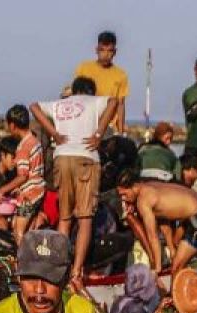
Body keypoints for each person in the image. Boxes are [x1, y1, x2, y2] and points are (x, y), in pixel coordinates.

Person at [30, 78, 118, 291]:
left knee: (65, 217)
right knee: (85, 218)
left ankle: (58, 268)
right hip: (86, 158)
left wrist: (53, 133)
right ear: (91, 91)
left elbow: (33, 106)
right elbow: (115, 101)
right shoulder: (93, 101)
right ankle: (76, 271)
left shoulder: (60, 104)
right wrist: (98, 133)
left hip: (62, 157)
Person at [115, 168, 197, 278]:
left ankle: (173, 296)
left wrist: (157, 268)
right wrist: (171, 248)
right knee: (180, 246)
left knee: (176, 267)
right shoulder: (147, 186)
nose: (123, 199)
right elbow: (164, 224)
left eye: (124, 194)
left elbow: (152, 236)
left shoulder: (144, 201)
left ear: (134, 186)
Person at [0, 105, 46, 243]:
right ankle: (31, 258)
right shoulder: (35, 141)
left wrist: (2, 190)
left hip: (29, 195)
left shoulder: (22, 148)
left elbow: (23, 176)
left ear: (13, 125)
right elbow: (33, 172)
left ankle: (22, 262)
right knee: (27, 228)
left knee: (18, 232)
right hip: (39, 190)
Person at [73, 31, 128, 133]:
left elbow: (121, 104)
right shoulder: (84, 68)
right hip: (85, 120)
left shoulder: (120, 75)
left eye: (110, 51)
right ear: (96, 50)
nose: (106, 55)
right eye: (102, 50)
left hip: (108, 125)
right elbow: (75, 95)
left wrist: (121, 132)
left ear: (115, 52)